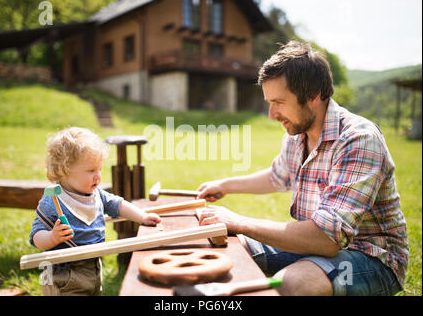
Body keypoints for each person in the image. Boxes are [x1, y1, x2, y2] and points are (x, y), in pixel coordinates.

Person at [197, 41, 408, 296]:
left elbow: (327, 240)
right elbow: (278, 176)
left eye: (279, 102)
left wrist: (239, 221)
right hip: (314, 248)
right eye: (269, 102)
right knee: (229, 245)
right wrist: (224, 185)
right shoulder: (297, 133)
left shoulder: (358, 139)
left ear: (314, 95)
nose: (271, 114)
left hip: (373, 258)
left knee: (293, 282)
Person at [29, 127, 161, 295]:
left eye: (99, 169)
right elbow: (36, 236)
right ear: (64, 171)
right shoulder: (54, 201)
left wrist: (142, 217)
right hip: (66, 273)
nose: (98, 175)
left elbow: (118, 204)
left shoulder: (96, 194)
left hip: (93, 266)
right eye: (91, 170)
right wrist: (52, 237)